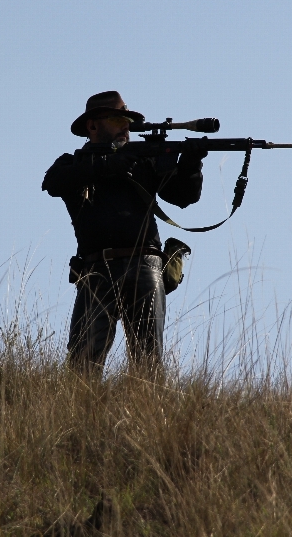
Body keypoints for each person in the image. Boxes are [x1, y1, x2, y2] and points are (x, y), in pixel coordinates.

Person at [42, 91, 207, 375]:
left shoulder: (141, 161)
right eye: (118, 119)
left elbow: (183, 196)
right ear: (93, 126)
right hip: (96, 268)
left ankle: (151, 416)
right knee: (83, 361)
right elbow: (53, 182)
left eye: (128, 121)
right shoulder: (75, 163)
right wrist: (107, 166)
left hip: (146, 265)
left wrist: (191, 165)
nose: (126, 126)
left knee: (148, 361)